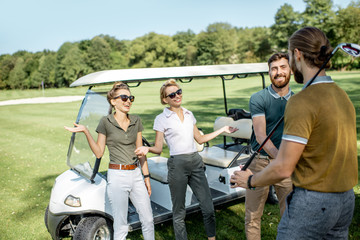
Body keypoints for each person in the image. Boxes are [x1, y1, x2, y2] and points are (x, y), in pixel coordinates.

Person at [230, 26, 358, 239]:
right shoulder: (342, 96)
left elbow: (283, 168)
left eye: (289, 57)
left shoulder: (301, 101)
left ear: (297, 54)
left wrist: (250, 180)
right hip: (345, 200)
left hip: (313, 202)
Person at [135, 79, 237, 240]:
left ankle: (212, 238)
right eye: (172, 94)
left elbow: (201, 139)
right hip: (177, 165)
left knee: (208, 207)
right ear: (165, 99)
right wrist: (147, 148)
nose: (177, 96)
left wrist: (223, 129)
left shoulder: (189, 114)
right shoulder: (161, 119)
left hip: (196, 162)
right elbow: (158, 148)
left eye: (179, 92)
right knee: (179, 212)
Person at [64, 83, 154, 240]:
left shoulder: (136, 120)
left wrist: (146, 177)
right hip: (117, 176)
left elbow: (140, 152)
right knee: (121, 224)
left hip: (136, 174)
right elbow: (99, 152)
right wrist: (86, 131)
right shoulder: (105, 122)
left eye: (130, 98)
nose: (128, 101)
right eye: (124, 98)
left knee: (148, 219)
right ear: (113, 101)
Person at [245, 52, 293, 240]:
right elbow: (261, 134)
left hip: (286, 165)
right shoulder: (259, 98)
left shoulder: (299, 101)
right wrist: (281, 158)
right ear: (269, 72)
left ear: (290, 70)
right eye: (274, 68)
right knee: (253, 216)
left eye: (283, 67)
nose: (278, 72)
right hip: (260, 162)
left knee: (290, 215)